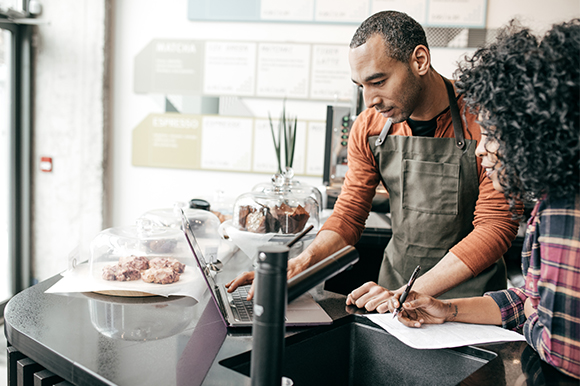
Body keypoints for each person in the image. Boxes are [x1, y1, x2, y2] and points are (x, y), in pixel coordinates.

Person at [227, 11, 520, 303]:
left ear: (419, 61)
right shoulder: (369, 127)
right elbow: (349, 214)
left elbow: (495, 226)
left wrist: (414, 292)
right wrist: (299, 264)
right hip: (394, 291)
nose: (370, 101)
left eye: (378, 81)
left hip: (471, 302)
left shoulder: (486, 120)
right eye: (361, 86)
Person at [388, 20, 580, 380]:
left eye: (492, 134)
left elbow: (563, 350)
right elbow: (533, 301)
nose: (483, 149)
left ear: (532, 135)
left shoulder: (565, 218)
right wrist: (447, 309)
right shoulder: (550, 201)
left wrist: (523, 340)